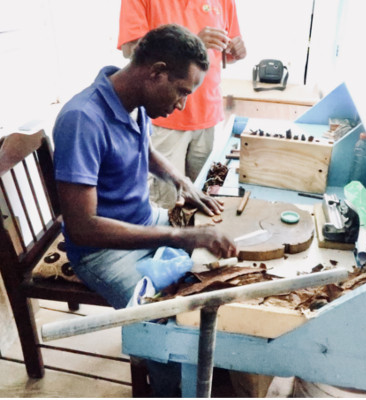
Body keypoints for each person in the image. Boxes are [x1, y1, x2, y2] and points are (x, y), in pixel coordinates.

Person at [53, 24, 237, 396]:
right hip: (101, 252)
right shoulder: (82, 120)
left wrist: (181, 181)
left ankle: (213, 371)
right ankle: (169, 389)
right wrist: (178, 234)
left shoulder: (129, 99)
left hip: (140, 222)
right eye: (182, 91)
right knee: (164, 323)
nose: (182, 104)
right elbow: (84, 228)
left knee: (215, 269)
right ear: (155, 72)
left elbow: (143, 147)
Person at [118, 0, 247, 209]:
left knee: (207, 201)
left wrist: (236, 51)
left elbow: (224, 54)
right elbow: (131, 50)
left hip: (208, 116)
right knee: (165, 204)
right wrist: (192, 43)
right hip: (163, 118)